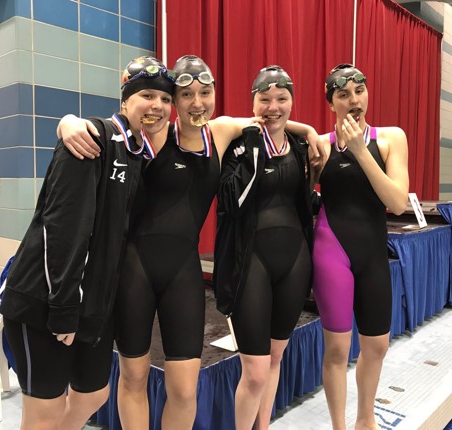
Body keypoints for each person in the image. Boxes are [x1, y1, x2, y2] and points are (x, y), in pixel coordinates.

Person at [58, 56, 321, 429]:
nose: (197, 103)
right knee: (134, 378)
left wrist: (308, 131)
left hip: (184, 272)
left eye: (205, 92)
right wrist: (66, 123)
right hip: (135, 269)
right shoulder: (154, 134)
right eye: (186, 95)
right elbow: (102, 128)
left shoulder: (223, 131)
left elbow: (270, 119)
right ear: (173, 100)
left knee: (185, 389)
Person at [0, 56, 174, 430]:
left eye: (165, 99)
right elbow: (60, 229)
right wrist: (63, 307)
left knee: (94, 394)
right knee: (43, 413)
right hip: (45, 302)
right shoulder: (91, 139)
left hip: (92, 304)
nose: (157, 106)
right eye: (147, 95)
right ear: (125, 97)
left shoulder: (137, 153)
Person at [213, 65, 314, 430]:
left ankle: (263, 426)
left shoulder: (301, 146)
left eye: (282, 99)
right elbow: (228, 200)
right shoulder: (237, 146)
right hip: (249, 262)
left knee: (274, 358)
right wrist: (254, 145)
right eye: (265, 99)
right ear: (252, 101)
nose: (273, 106)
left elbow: (306, 201)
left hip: (295, 260)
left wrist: (310, 130)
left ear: (292, 102)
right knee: (254, 370)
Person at [311, 63, 409, 430]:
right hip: (330, 250)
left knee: (377, 346)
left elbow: (397, 203)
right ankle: (339, 426)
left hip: (371, 253)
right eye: (343, 94)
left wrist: (360, 151)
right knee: (336, 350)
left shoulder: (390, 138)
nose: (354, 100)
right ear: (331, 102)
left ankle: (365, 419)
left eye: (359, 91)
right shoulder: (319, 144)